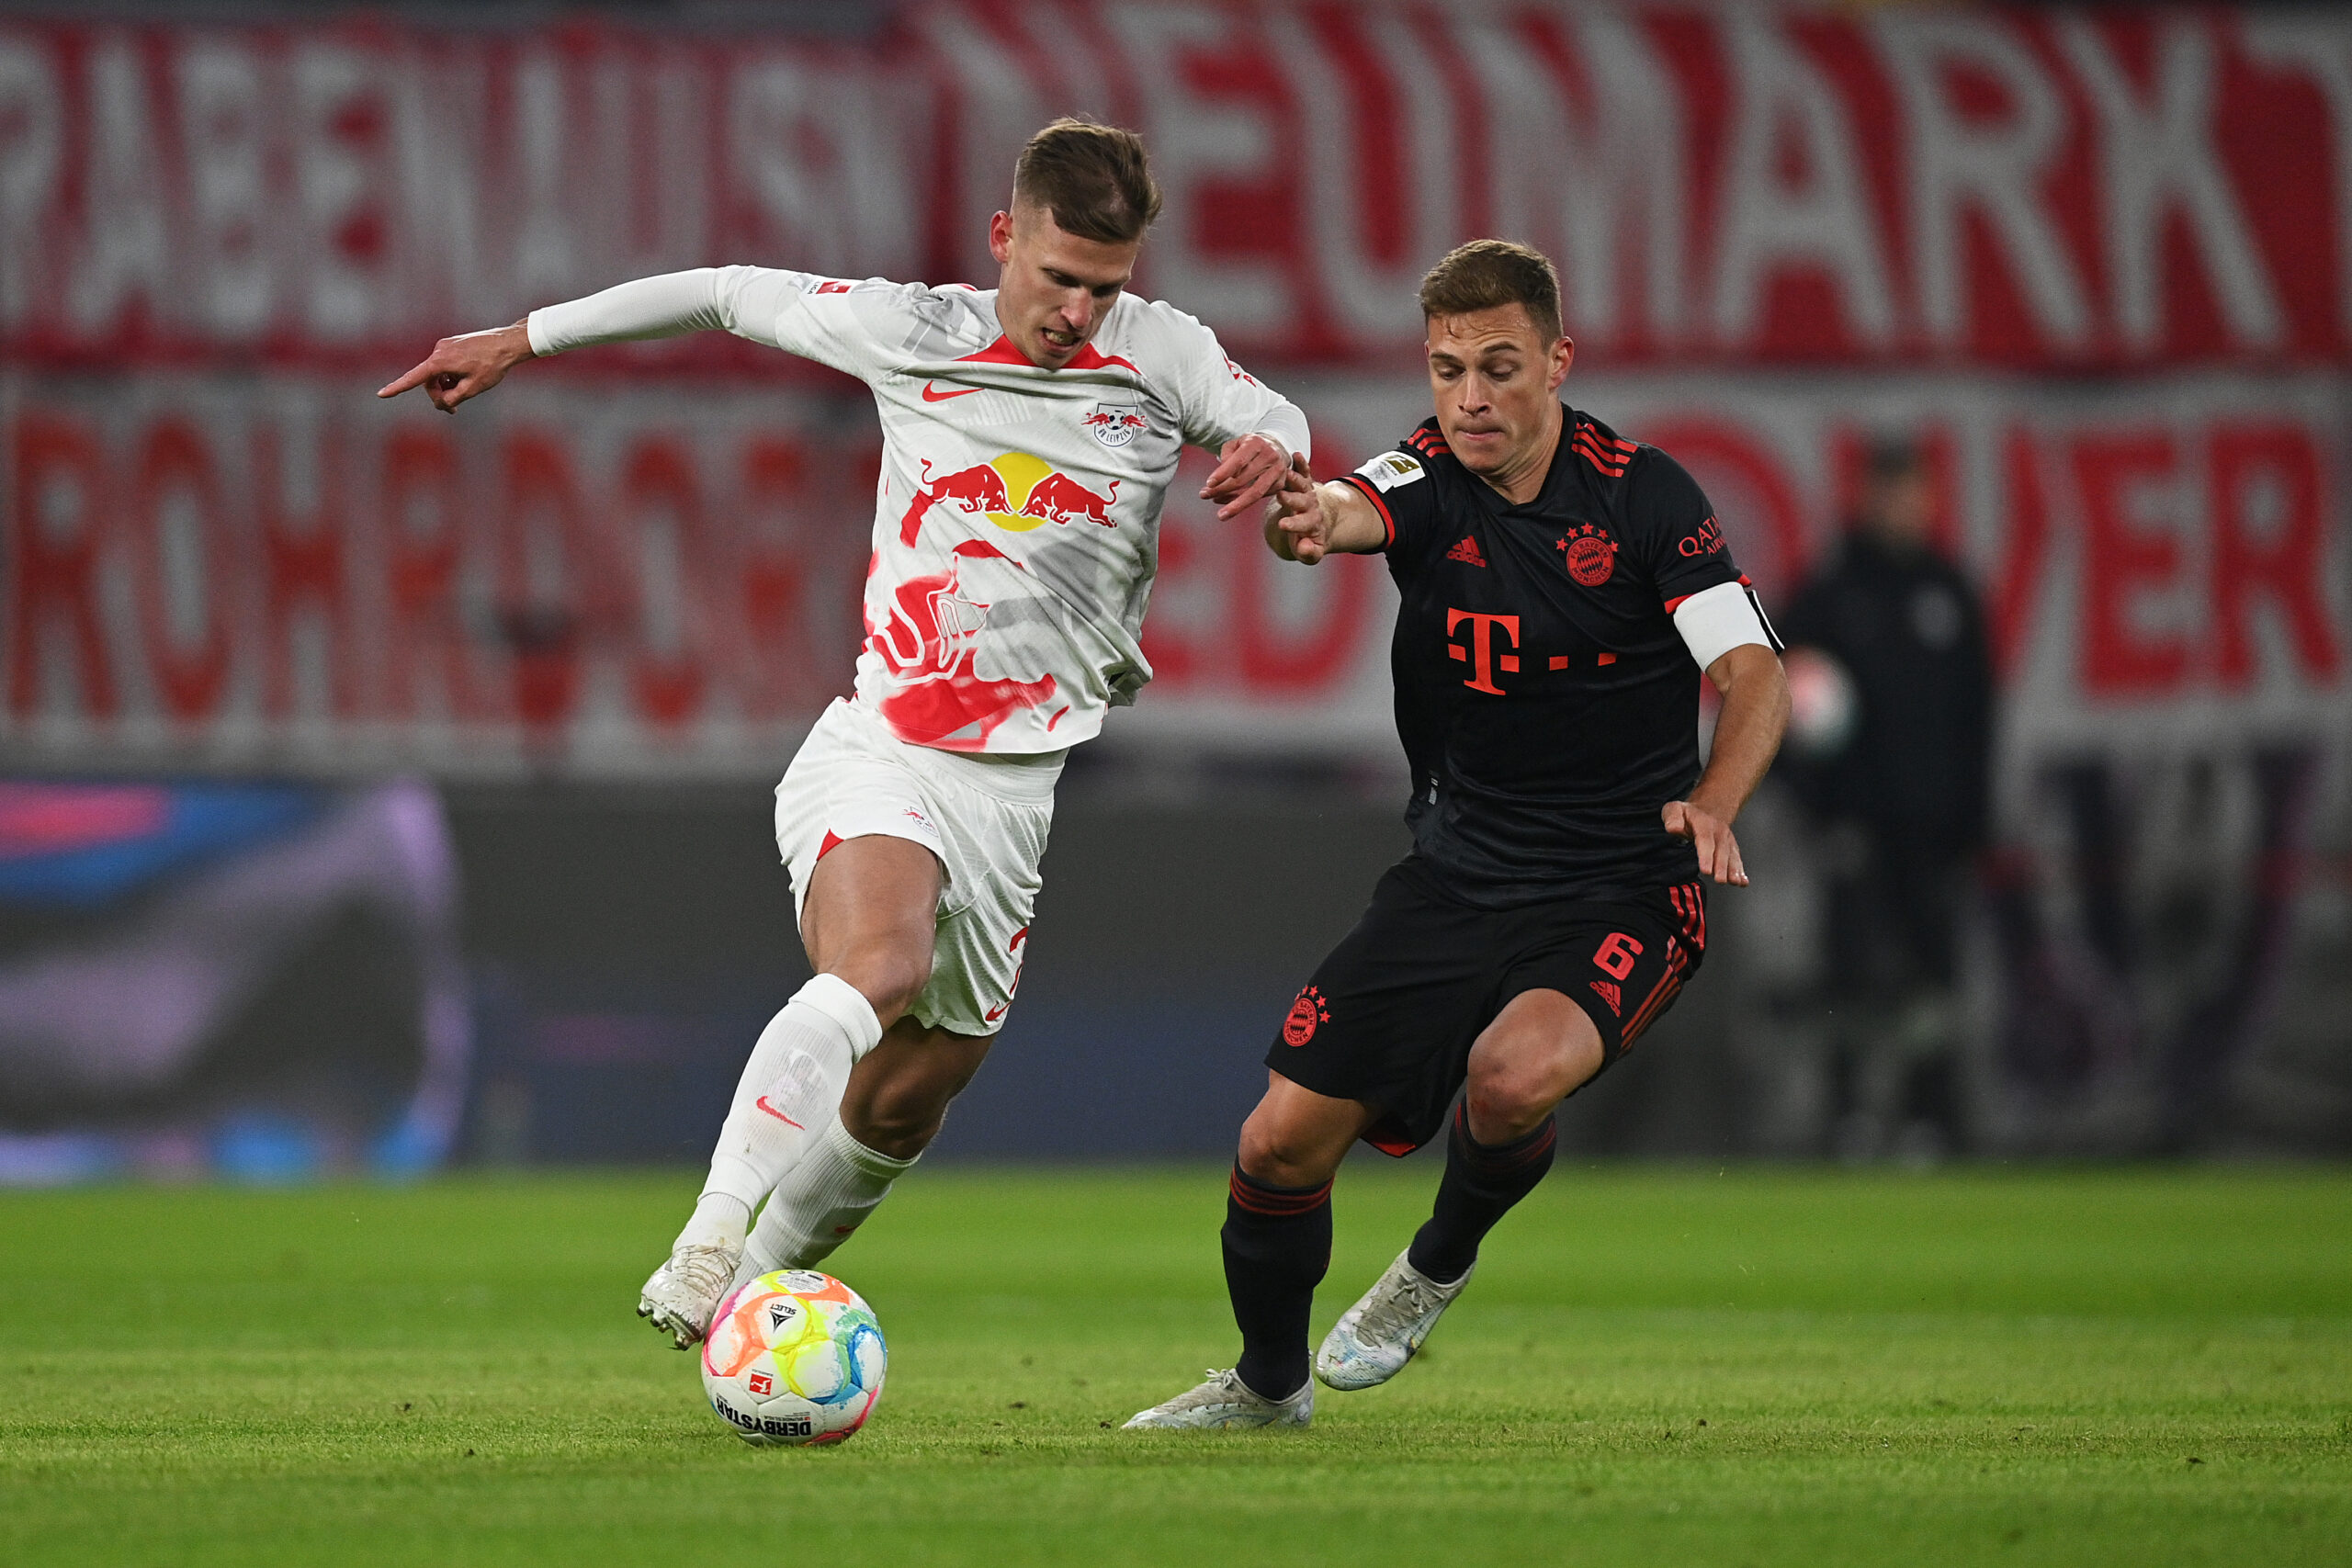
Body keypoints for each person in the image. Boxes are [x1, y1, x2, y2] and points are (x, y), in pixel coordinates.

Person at [380, 119, 1306, 1348]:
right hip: (887, 746)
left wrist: (1269, 448)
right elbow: (720, 293)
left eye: (1105, 284)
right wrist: (526, 335)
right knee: (879, 963)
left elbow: (1275, 413)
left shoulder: (1162, 354)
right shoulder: (911, 329)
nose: (1079, 309)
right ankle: (709, 1240)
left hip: (1021, 791)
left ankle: (750, 1301)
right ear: (1003, 238)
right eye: (1058, 276)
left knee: (910, 1095)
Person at [1125, 241, 1790, 1430]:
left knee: (1509, 1075)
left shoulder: (1646, 496)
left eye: (1499, 366)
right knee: (1277, 1141)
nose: (1471, 397)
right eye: (1447, 369)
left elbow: (1752, 673)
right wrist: (1302, 518)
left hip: (1624, 885)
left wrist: (1716, 801)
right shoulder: (1429, 474)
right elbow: (1347, 508)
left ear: (1556, 362)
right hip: (1457, 874)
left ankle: (1437, 1255)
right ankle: (1268, 1387)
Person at [1779, 438, 1993, 1159]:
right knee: (1849, 974)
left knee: (1932, 978)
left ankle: (1929, 1115)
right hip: (1854, 829)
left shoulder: (1951, 592)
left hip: (1932, 828)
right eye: (1890, 490)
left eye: (1915, 491)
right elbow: (1772, 703)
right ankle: (1849, 1115)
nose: (1903, 505)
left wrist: (1973, 819)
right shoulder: (1831, 594)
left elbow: (1979, 715)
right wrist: (1819, 811)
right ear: (1866, 496)